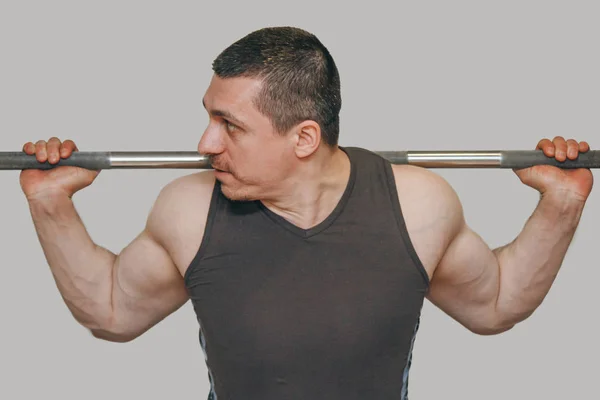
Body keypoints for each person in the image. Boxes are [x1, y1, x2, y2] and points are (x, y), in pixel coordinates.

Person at [19, 26, 593, 399]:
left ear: (304, 138)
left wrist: (562, 204)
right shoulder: (190, 207)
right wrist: (50, 205)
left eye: (230, 126)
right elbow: (113, 313)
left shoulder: (418, 204)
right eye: (209, 117)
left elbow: (493, 306)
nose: (205, 143)